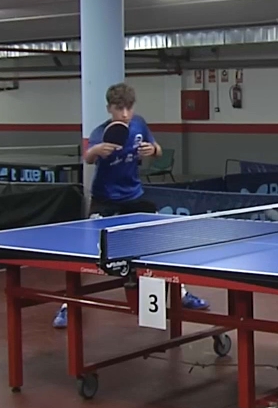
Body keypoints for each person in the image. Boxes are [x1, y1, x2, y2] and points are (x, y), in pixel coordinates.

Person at [52, 83, 208, 329]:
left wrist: (152, 149)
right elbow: (88, 157)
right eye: (118, 108)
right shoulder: (101, 132)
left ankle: (181, 293)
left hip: (134, 197)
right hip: (105, 199)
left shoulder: (139, 124)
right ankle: (67, 304)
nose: (124, 114)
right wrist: (96, 150)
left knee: (158, 248)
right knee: (89, 252)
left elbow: (156, 150)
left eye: (128, 108)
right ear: (109, 109)